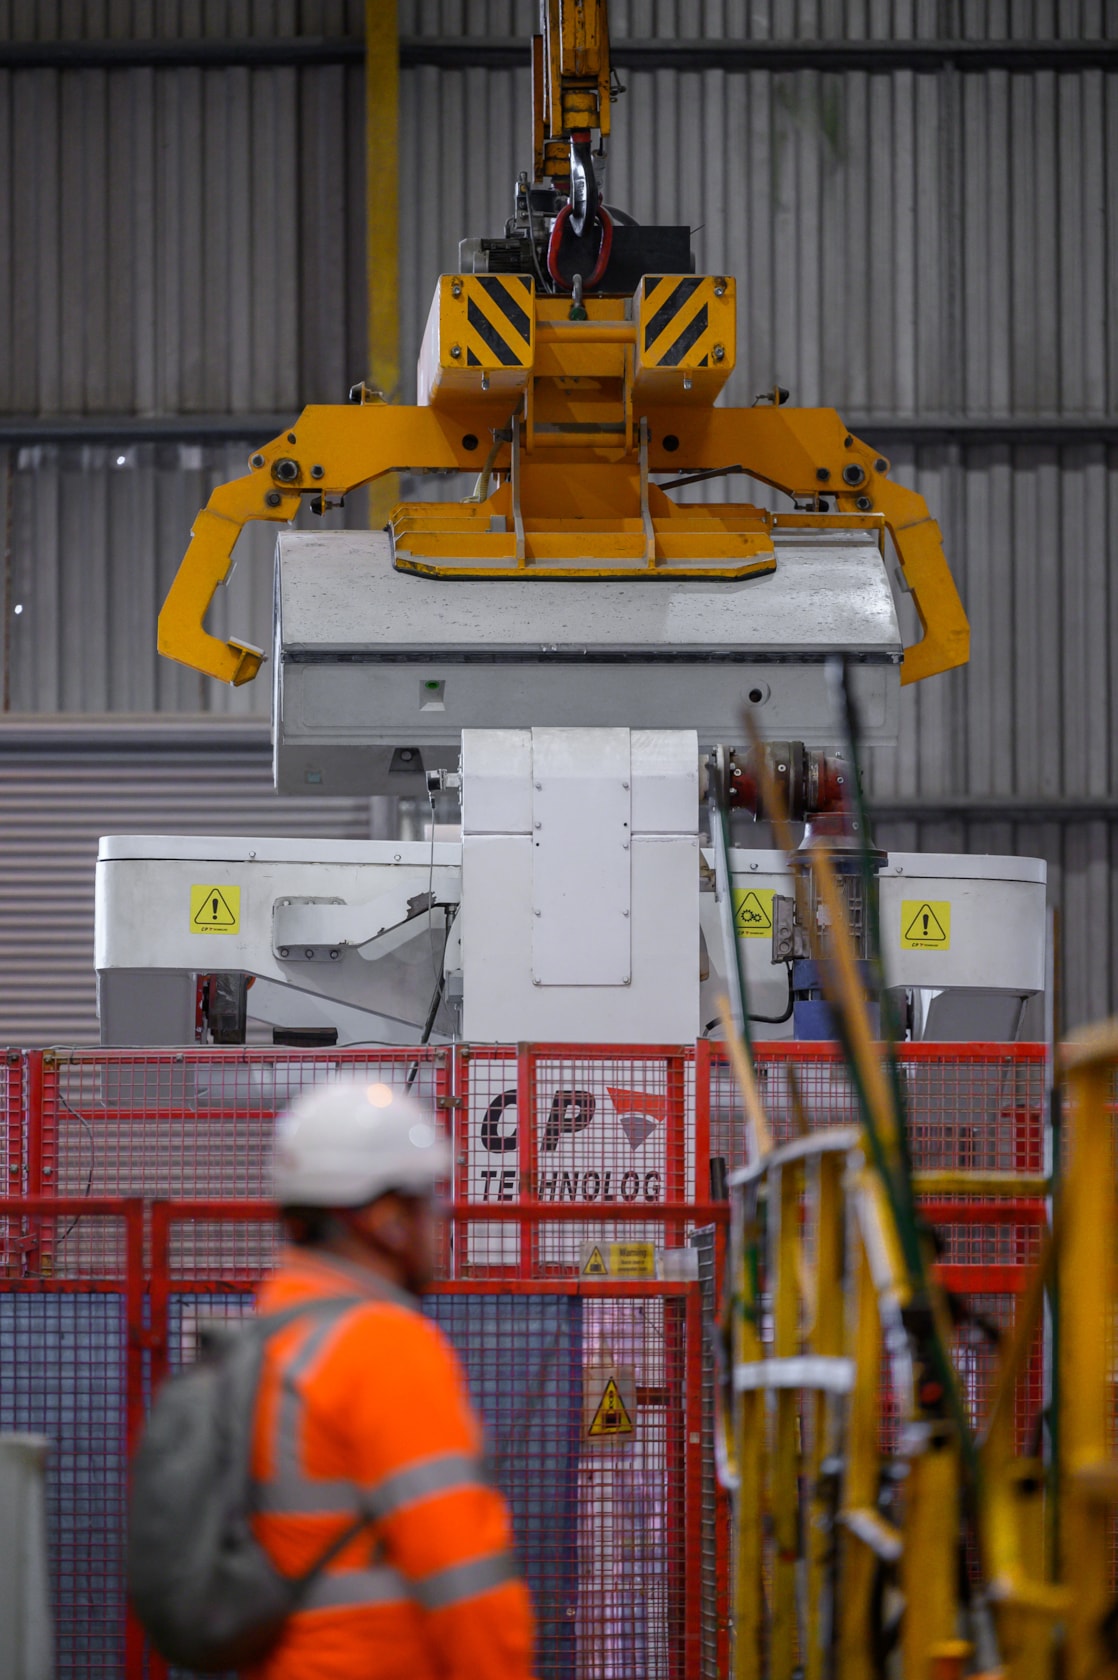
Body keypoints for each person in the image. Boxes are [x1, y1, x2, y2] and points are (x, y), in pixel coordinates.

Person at [246, 1077, 535, 1680]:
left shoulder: (269, 1338)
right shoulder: (382, 1349)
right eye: (425, 1201)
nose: (437, 1220)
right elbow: (465, 1579)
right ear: (383, 1219)